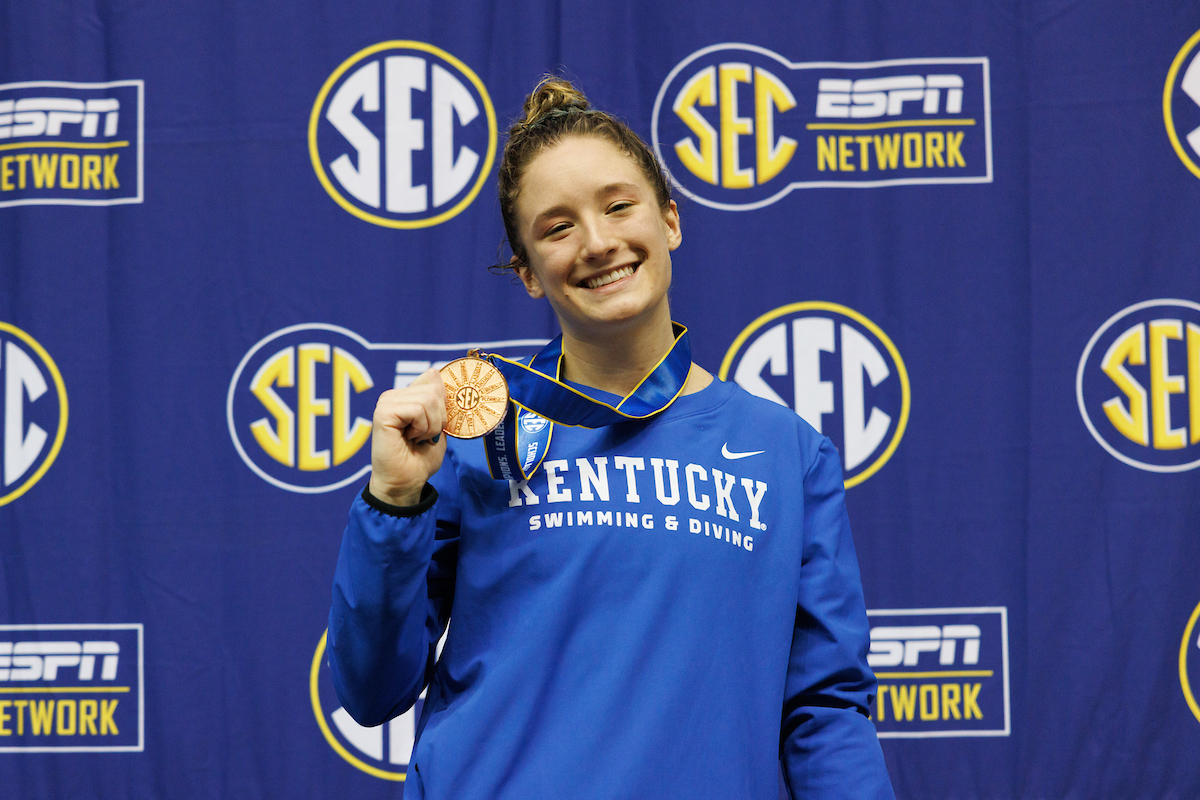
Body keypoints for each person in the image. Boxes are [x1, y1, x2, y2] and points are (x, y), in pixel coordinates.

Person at [328, 76, 895, 799]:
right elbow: (372, 691)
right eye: (556, 228)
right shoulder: (474, 437)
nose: (598, 243)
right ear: (528, 274)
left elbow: (826, 712)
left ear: (670, 221)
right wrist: (394, 498)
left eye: (619, 206)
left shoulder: (787, 454)